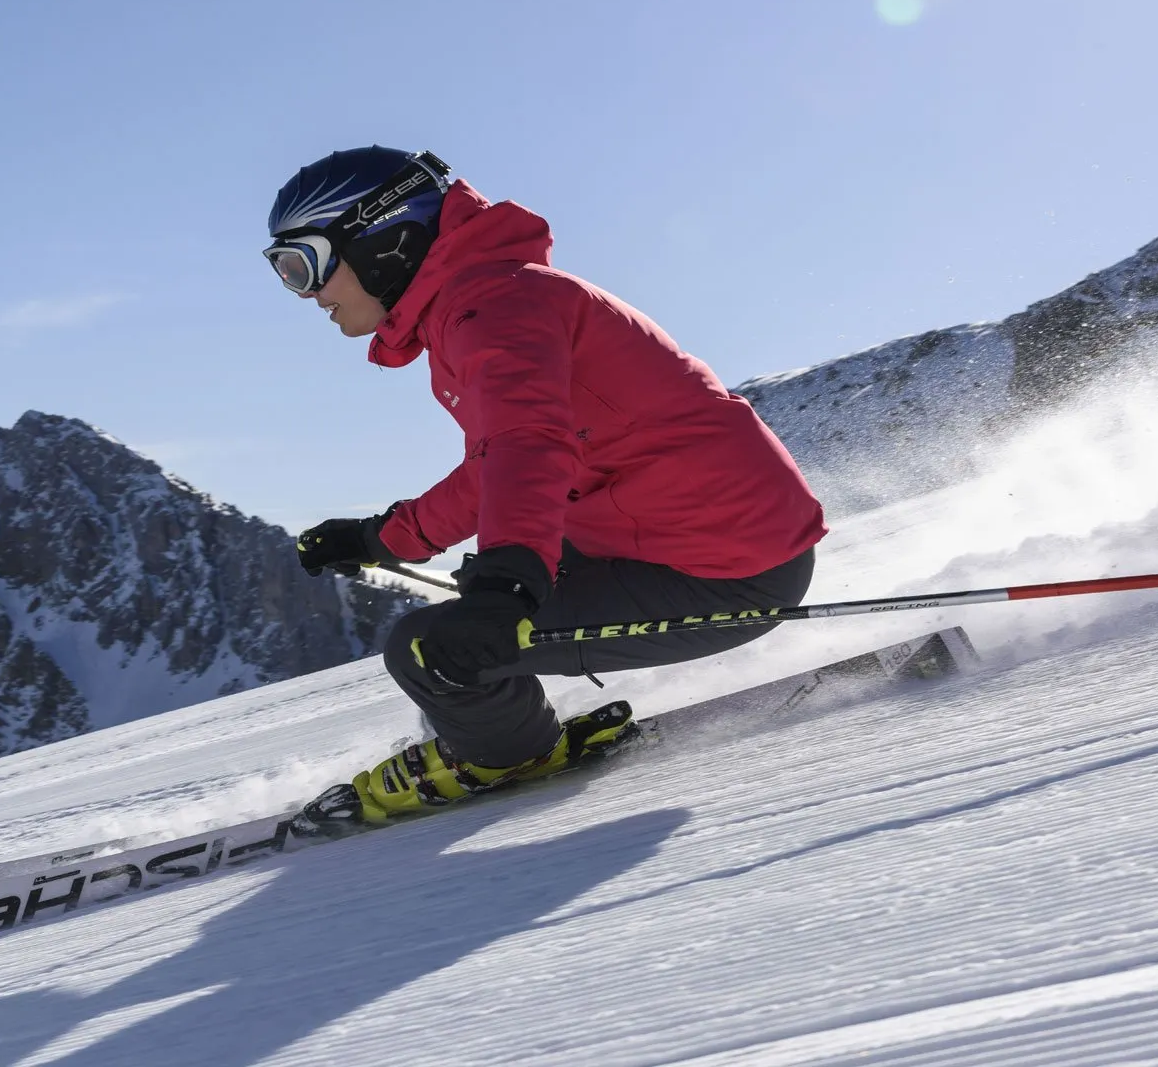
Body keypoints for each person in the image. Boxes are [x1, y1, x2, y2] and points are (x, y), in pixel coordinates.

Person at [267, 146, 826, 833]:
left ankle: (506, 756)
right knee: (470, 615)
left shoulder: (492, 309)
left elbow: (525, 449)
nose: (308, 293)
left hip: (722, 572)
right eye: (286, 272)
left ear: (385, 236)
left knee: (428, 649)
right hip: (688, 538)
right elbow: (497, 465)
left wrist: (509, 587)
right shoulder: (483, 303)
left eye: (305, 265)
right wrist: (380, 538)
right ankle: (492, 727)